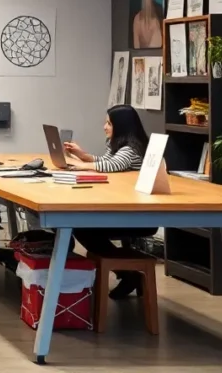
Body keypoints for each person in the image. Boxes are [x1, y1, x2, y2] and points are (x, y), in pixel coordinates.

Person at [64, 104, 154, 298]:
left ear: (122, 126)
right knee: (82, 228)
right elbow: (104, 161)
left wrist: (79, 165)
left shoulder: (131, 149)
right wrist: (82, 156)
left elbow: (111, 166)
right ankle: (127, 274)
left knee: (82, 228)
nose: (105, 127)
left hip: (135, 215)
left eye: (109, 123)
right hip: (123, 209)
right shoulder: (119, 146)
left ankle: (128, 274)